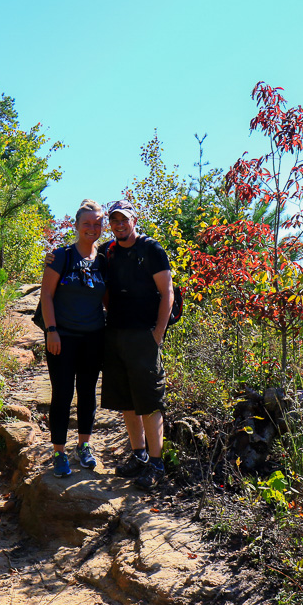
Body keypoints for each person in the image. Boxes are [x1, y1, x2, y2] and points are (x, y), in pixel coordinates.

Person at [99, 200, 173, 490]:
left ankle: (156, 462)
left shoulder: (151, 249)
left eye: (124, 220)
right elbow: (102, 287)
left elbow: (166, 292)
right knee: (127, 400)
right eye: (114, 220)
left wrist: (157, 334)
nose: (119, 225)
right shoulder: (108, 251)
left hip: (144, 335)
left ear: (134, 220)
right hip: (116, 333)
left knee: (149, 401)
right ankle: (139, 455)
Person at [39, 199, 106, 478]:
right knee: (63, 394)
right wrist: (51, 331)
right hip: (62, 338)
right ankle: (58, 452)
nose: (92, 228)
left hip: (93, 338)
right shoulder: (61, 256)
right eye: (87, 223)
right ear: (76, 226)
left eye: (97, 223)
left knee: (88, 393)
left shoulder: (104, 260)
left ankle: (84, 447)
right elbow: (46, 295)